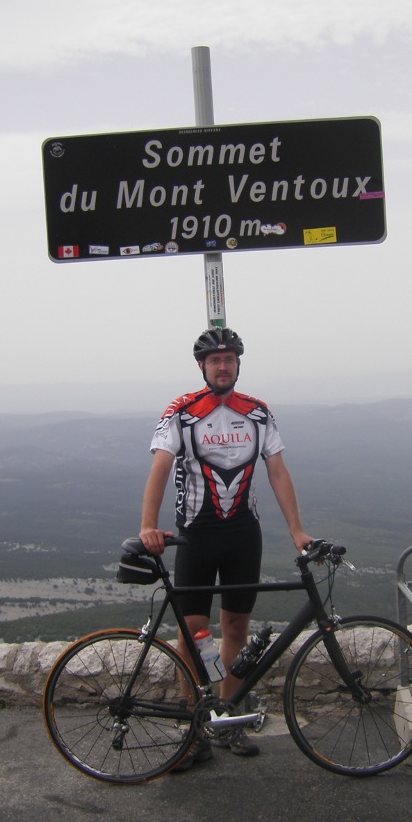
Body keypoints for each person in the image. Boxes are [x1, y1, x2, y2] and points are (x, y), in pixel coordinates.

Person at [139, 327, 313, 769]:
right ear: (202, 366)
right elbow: (159, 468)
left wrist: (297, 531)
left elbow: (277, 471)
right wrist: (148, 526)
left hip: (242, 535)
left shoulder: (257, 412)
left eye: (229, 359)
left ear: (238, 364)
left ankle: (229, 716)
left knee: (235, 626)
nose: (223, 366)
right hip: (197, 534)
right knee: (193, 633)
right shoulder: (182, 411)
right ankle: (192, 727)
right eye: (214, 360)